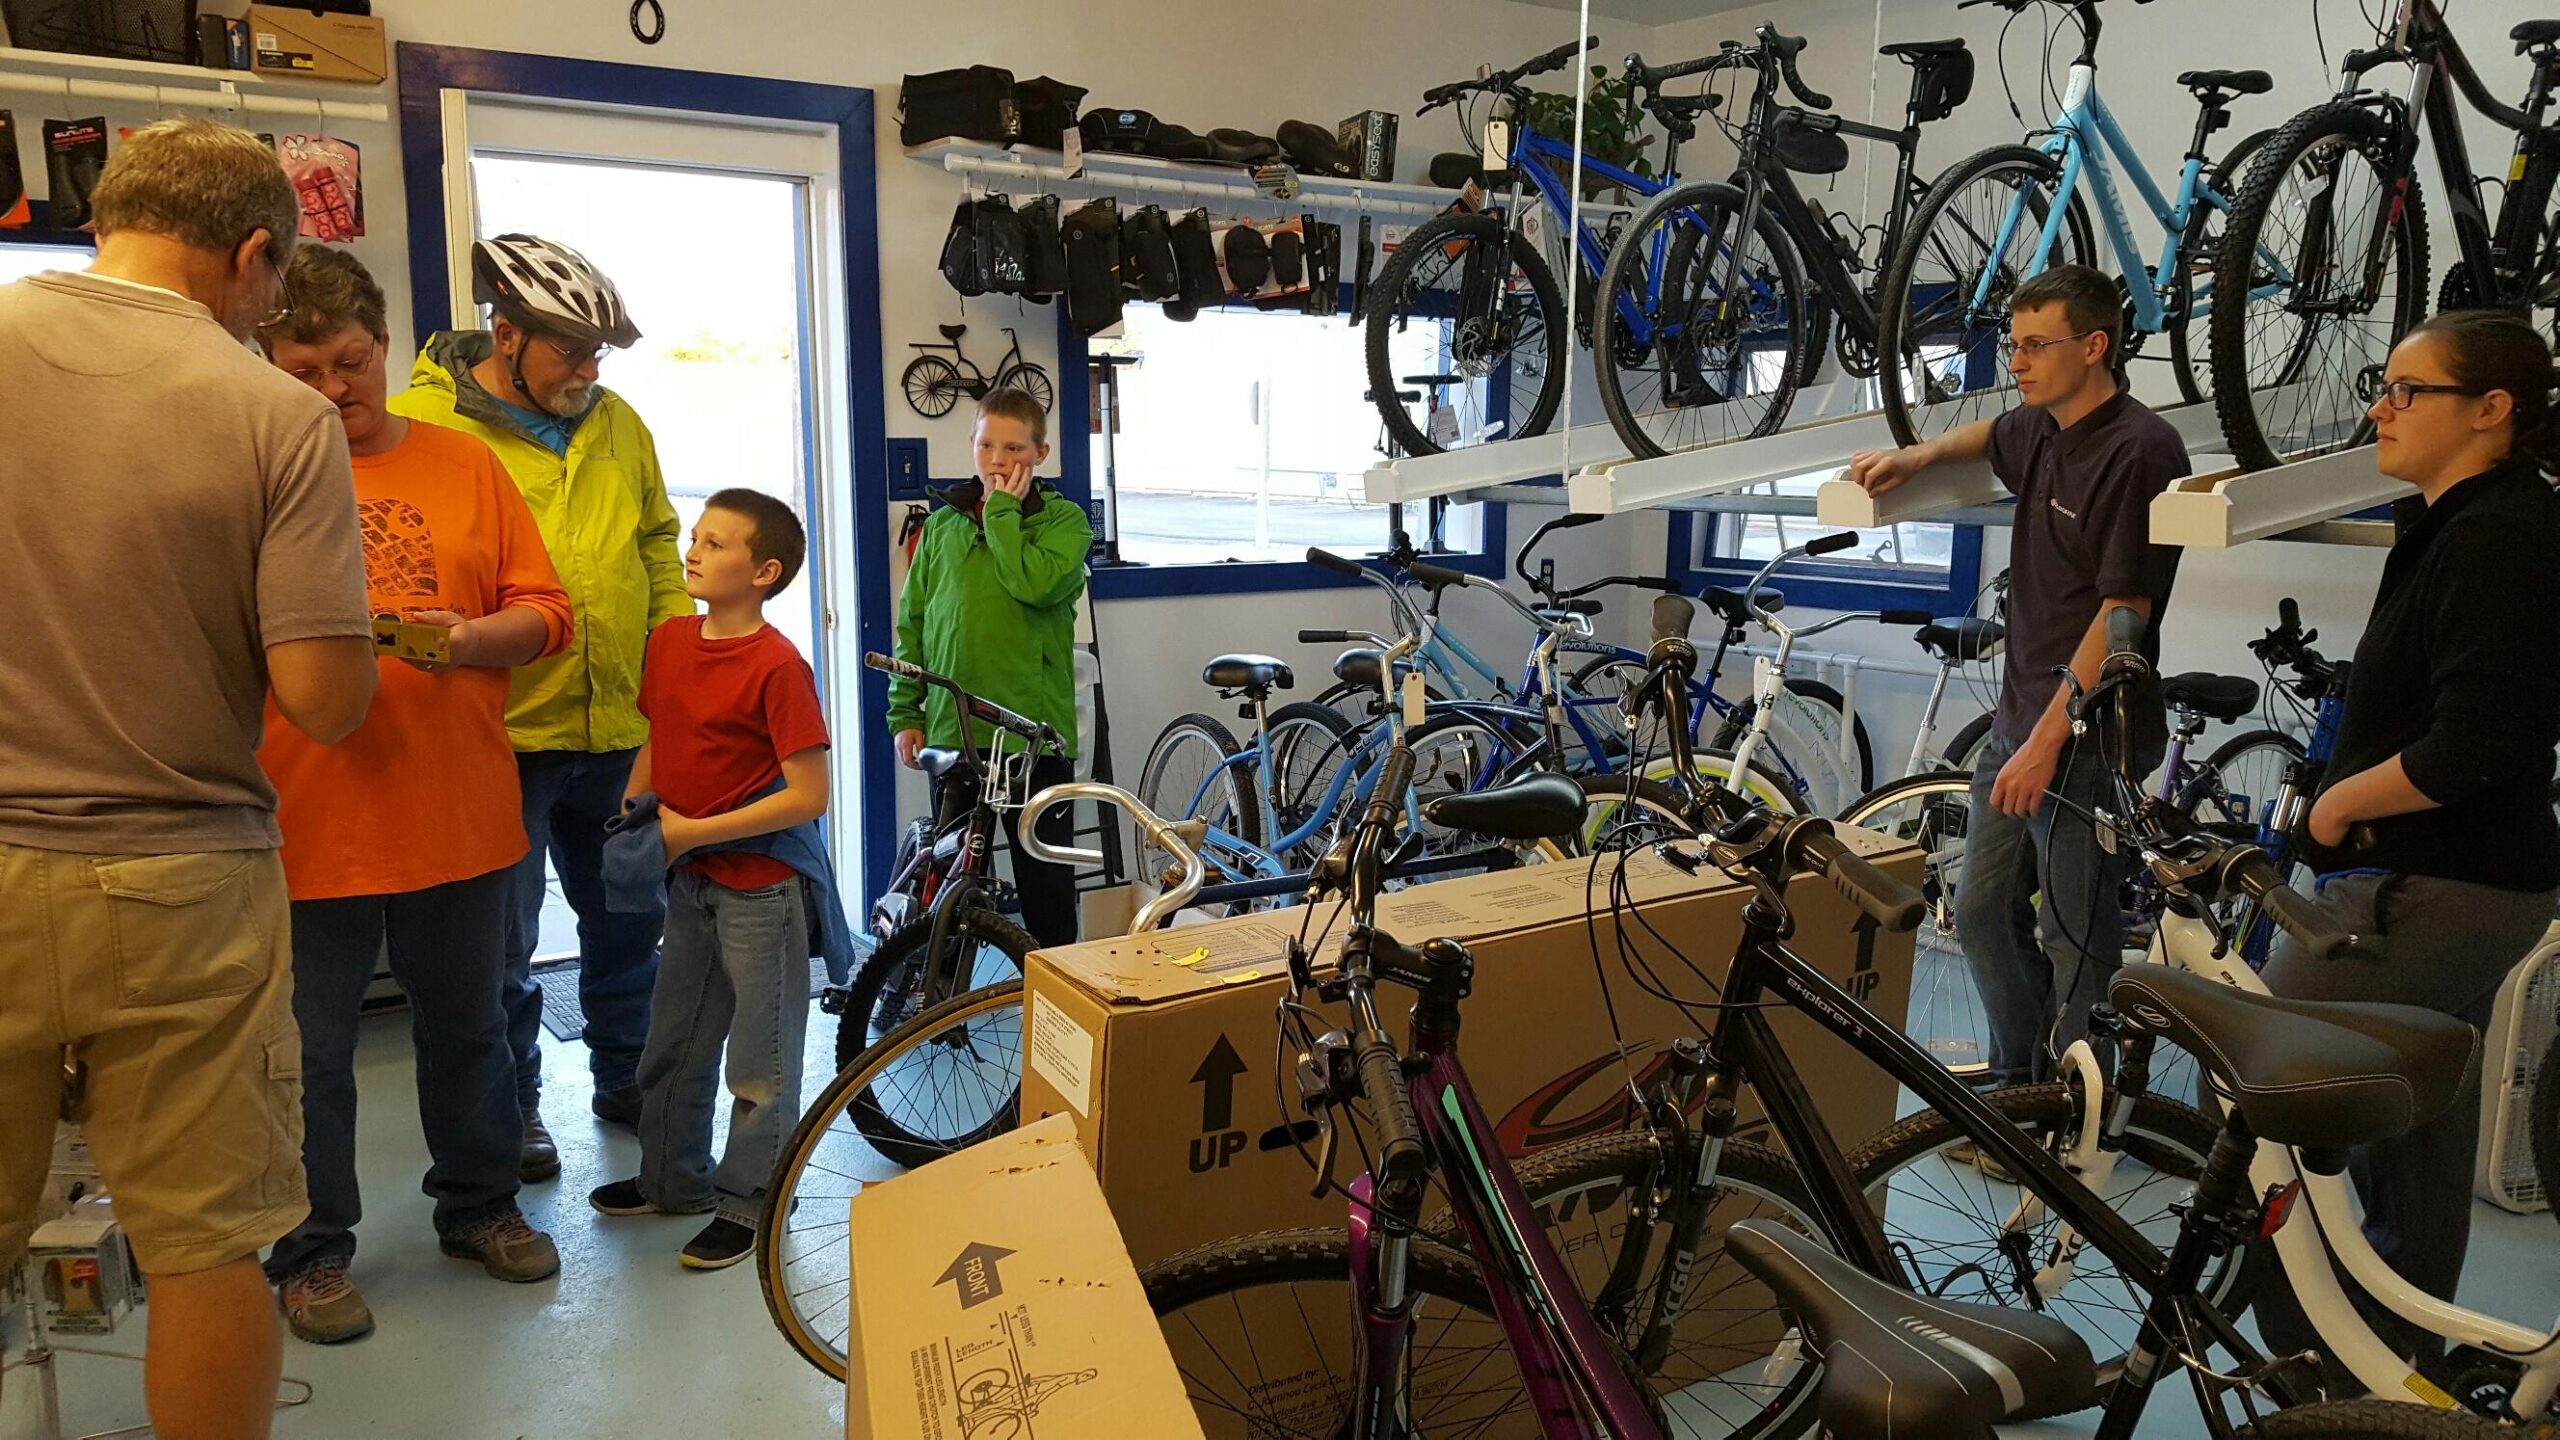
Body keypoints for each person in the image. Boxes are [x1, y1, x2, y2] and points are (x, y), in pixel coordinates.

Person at [0, 119, 377, 1440]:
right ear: (252, 253)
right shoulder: (271, 414)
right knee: (206, 1246)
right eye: (275, 290)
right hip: (182, 883)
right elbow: (327, 705)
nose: (272, 315)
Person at [253, 247, 577, 1343]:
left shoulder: (465, 465)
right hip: (303, 824)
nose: (333, 390)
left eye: (349, 363)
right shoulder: (252, 470)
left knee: (469, 1029)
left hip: (457, 813)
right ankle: (310, 1252)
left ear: (387, 348)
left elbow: (548, 612)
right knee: (309, 1055)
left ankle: (480, 1207)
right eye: (302, 371)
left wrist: (474, 637)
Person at [2250, 310, 2560, 1377]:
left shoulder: (2499, 535)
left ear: (2489, 410)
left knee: (2260, 1089)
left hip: (2429, 883)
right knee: (2420, 1137)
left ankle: (2303, 1358)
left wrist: (2336, 811)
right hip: (2465, 880)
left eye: (2403, 390)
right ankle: (2391, 1368)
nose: (2378, 408)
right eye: (2380, 387)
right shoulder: (2459, 518)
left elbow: (2477, 740)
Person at [391, 234, 689, 1180]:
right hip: (500, 734)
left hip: (617, 729)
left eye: (601, 353)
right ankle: (513, 1107)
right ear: (506, 333)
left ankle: (625, 1076)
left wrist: (678, 660)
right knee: (500, 948)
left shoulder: (617, 423)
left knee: (626, 920)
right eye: (573, 351)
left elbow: (655, 542)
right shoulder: (422, 427)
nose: (590, 372)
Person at [1847, 264, 2188, 1086]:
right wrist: (1918, 454)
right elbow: (1990, 433)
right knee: (1980, 912)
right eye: (2014, 343)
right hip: (2018, 722)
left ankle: (2080, 1115)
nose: (2020, 360)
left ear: (2095, 345)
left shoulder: (2139, 450)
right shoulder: (2040, 426)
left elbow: (2120, 615)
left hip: (2086, 737)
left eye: (2037, 344)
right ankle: (2023, 1080)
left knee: (2076, 937)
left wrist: (2047, 739)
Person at [588, 489, 852, 1269]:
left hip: (761, 890)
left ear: (764, 572)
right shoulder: (669, 641)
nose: (692, 550)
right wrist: (636, 815)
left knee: (760, 1067)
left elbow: (809, 796)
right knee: (672, 1045)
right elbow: (657, 738)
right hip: (690, 881)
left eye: (715, 542)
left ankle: (750, 1207)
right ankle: (671, 1182)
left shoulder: (778, 666)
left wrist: (690, 833)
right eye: (695, 536)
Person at [888, 388, 1093, 949]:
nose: (997, 460)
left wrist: (1002, 512)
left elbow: (1032, 584)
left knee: (1045, 890)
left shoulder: (1065, 523)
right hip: (956, 733)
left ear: (1041, 454)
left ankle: (1058, 1011)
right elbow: (913, 626)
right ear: (972, 445)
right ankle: (940, 1002)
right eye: (986, 445)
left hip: (1034, 740)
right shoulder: (941, 528)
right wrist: (905, 711)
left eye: (1013, 448)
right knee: (949, 887)